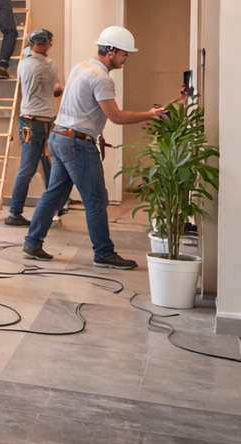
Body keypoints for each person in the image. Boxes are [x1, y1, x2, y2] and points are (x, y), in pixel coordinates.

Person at [22, 26, 168, 270]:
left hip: (59, 137)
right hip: (76, 144)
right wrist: (151, 115)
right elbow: (117, 116)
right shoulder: (101, 79)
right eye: (124, 53)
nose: (126, 58)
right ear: (111, 51)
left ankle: (32, 243)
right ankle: (104, 253)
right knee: (97, 200)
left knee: (54, 195)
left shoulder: (81, 67)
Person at [4, 28, 64, 227]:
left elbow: (47, 90)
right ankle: (15, 212)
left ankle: (54, 206)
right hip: (36, 122)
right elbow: (54, 89)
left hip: (36, 120)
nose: (50, 47)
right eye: (49, 43)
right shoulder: (43, 65)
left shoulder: (26, 63)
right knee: (30, 168)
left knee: (46, 166)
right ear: (40, 44)